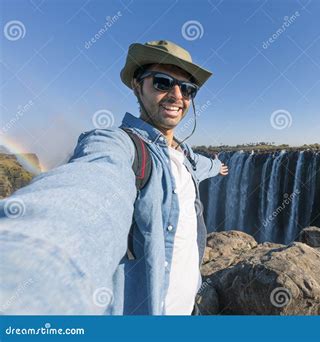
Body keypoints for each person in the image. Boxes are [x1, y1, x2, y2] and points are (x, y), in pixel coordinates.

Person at [0, 40, 228, 315]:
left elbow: (202, 165)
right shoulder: (118, 146)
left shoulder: (187, 156)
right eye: (162, 82)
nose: (177, 95)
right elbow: (87, 193)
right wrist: (30, 265)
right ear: (137, 85)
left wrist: (217, 167)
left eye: (187, 89)